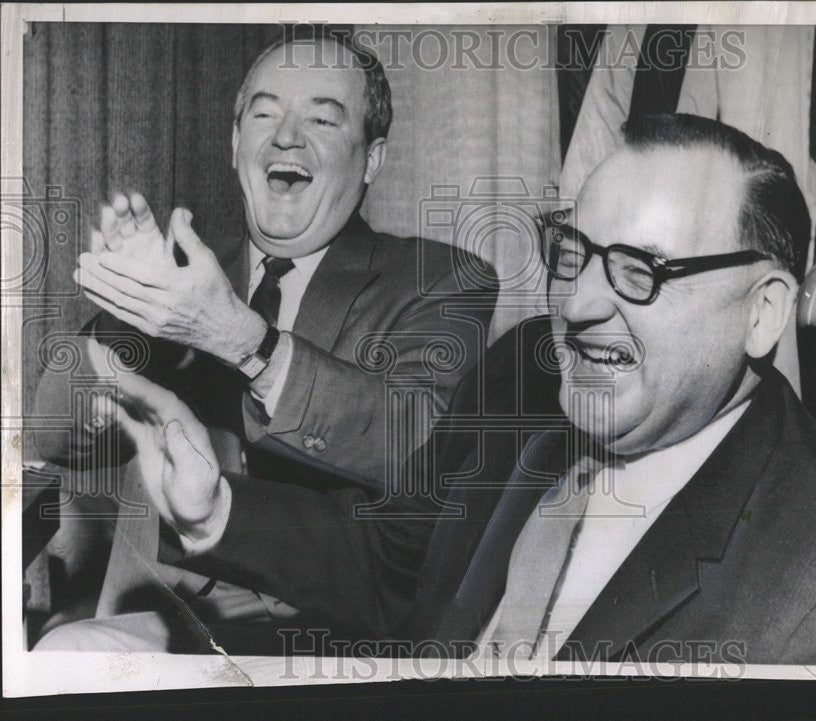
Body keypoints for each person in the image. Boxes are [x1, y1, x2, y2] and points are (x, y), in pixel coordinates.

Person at [39, 114, 816, 665]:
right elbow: (396, 562)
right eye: (574, 252)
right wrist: (213, 510)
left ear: (763, 313)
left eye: (641, 270)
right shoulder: (528, 368)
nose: (579, 305)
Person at [32, 33, 497, 636]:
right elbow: (50, 436)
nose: (286, 136)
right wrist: (132, 314)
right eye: (265, 112)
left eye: (323, 120)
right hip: (158, 609)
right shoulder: (184, 274)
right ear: (235, 143)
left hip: (325, 627)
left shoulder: (440, 280)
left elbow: (418, 446)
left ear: (373, 158)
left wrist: (244, 341)